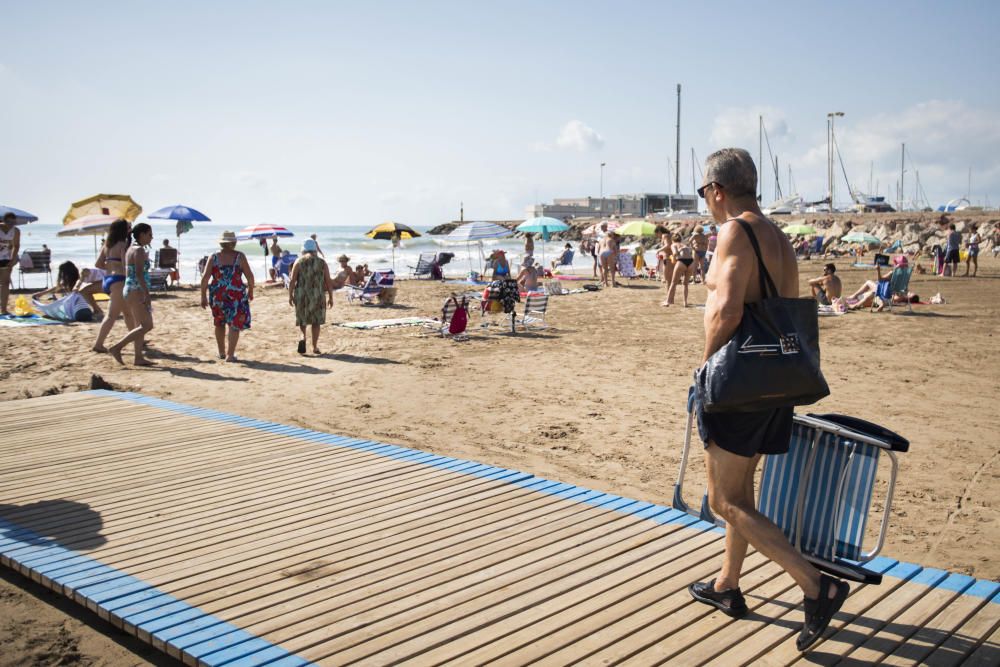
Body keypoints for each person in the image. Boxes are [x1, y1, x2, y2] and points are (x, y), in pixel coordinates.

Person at [690, 148, 847, 651]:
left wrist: (706, 366)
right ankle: (727, 583)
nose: (706, 203)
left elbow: (729, 310)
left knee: (723, 499)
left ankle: (817, 586)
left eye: (704, 193)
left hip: (740, 382)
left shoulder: (734, 231)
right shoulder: (778, 236)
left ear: (717, 190)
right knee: (742, 490)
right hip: (777, 379)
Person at [201, 230, 255, 362]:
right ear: (234, 242)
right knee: (234, 324)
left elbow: (205, 278)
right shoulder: (240, 256)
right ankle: (230, 355)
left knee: (219, 323)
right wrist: (251, 290)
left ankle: (221, 353)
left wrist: (203, 295)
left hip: (217, 295)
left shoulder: (213, 257)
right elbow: (249, 276)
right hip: (236, 295)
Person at [108, 224, 155, 366]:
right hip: (137, 289)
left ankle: (138, 358)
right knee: (147, 325)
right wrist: (146, 293)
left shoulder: (130, 249)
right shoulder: (139, 250)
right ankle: (117, 347)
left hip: (129, 288)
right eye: (149, 234)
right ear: (141, 234)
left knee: (139, 325)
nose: (152, 237)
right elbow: (139, 274)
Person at [92, 219, 135, 353]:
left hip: (108, 279)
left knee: (128, 313)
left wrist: (110, 266)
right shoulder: (123, 244)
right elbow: (125, 265)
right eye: (128, 228)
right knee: (111, 315)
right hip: (120, 280)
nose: (130, 230)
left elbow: (98, 264)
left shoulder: (107, 244)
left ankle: (137, 340)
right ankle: (98, 344)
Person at [288, 238, 333, 355]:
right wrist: (331, 297)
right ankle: (315, 347)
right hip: (318, 295)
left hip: (301, 294)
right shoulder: (322, 263)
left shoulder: (298, 261)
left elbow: (292, 281)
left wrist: (290, 295)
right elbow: (328, 281)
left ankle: (302, 336)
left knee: (303, 320)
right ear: (314, 249)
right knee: (316, 322)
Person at [34, 261, 105, 319]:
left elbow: (81, 279)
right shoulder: (75, 276)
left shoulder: (83, 271)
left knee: (84, 292)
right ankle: (97, 310)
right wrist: (41, 294)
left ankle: (98, 311)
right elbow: (58, 286)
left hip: (109, 280)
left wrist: (77, 286)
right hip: (105, 281)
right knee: (84, 292)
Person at [845, 255, 911, 310]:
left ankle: (854, 298)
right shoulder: (906, 274)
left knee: (868, 283)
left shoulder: (893, 273)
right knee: (872, 292)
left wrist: (878, 270)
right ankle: (857, 301)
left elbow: (880, 279)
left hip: (886, 291)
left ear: (897, 264)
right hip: (896, 291)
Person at [663, 233, 695, 307]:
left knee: (673, 283)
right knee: (685, 284)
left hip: (681, 262)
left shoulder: (673, 245)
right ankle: (685, 302)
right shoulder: (684, 245)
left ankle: (667, 302)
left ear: (672, 240)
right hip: (691, 262)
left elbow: (675, 253)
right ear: (680, 239)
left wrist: (673, 256)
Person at [0, 211, 21, 315]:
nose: (11, 225)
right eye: (9, 222)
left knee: (5, 283)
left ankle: (3, 309)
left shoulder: (16, 231)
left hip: (6, 258)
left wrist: (12, 259)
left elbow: (16, 246)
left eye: (13, 223)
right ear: (3, 221)